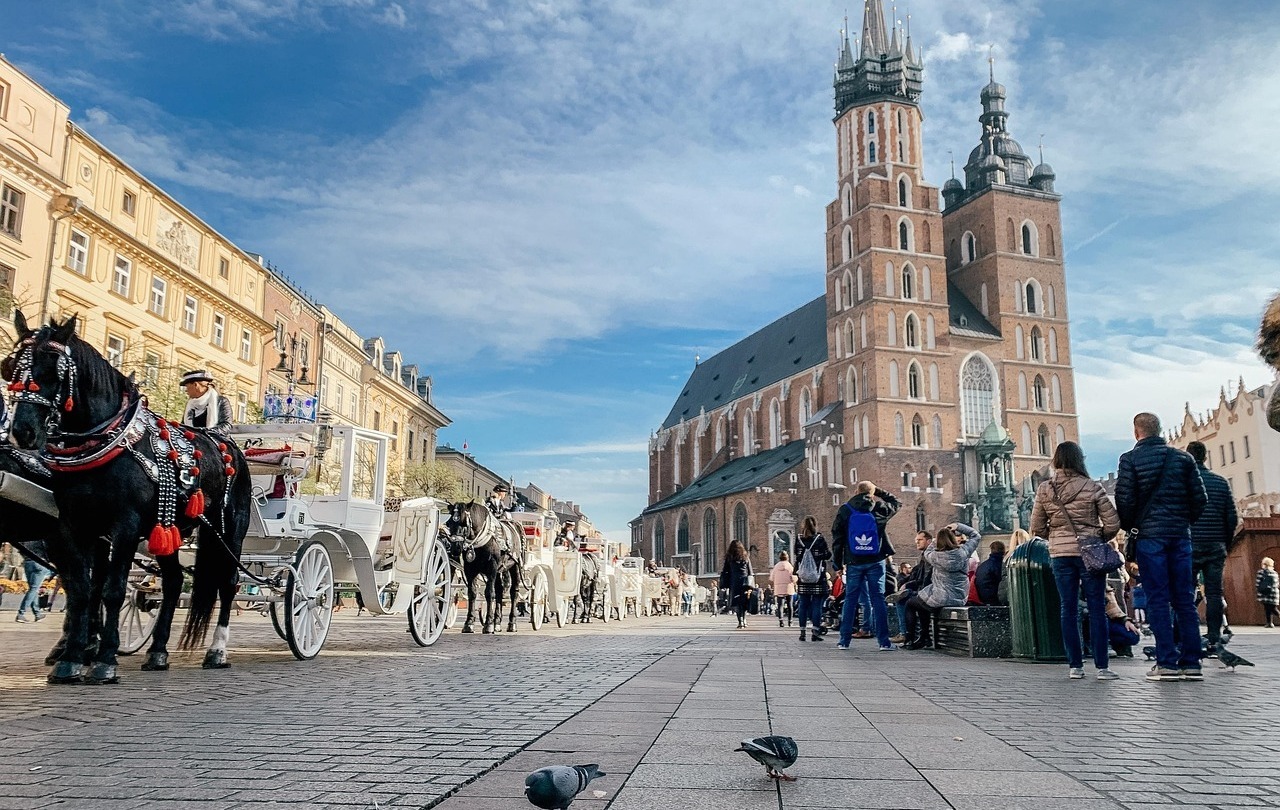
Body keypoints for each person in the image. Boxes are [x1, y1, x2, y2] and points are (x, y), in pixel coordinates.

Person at [1115, 412, 1207, 682]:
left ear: (1136, 432)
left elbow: (1124, 500)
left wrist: (1134, 526)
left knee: (1157, 599)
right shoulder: (1183, 458)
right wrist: (1183, 521)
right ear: (1160, 430)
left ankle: (1166, 662)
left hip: (1150, 538)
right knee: (1184, 599)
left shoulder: (1130, 459)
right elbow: (1200, 499)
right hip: (1179, 536)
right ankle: (1192, 662)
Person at [1031, 440, 1122, 680]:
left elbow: (1036, 527)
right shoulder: (1092, 487)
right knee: (1097, 608)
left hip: (1060, 555)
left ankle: (1075, 666)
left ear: (1056, 461)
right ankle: (1102, 667)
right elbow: (1113, 522)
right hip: (1089, 553)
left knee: (1068, 608)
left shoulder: (1045, 489)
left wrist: (1056, 538)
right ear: (1079, 460)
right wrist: (1097, 537)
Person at [1185, 441, 1239, 655]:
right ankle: (1214, 638)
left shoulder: (1183, 483)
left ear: (1188, 458)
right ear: (1205, 457)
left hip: (1189, 545)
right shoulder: (1220, 482)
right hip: (1216, 545)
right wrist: (1226, 542)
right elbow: (1232, 517)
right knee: (1215, 593)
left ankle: (1188, 637)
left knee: (1186, 592)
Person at [833, 481, 900, 651]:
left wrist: (837, 564)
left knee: (850, 599)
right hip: (876, 560)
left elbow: (837, 538)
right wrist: (878, 491)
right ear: (872, 492)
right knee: (878, 599)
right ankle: (884, 642)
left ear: (856, 491)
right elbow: (896, 502)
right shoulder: (879, 507)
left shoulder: (846, 509)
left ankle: (844, 641)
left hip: (854, 561)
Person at [904, 524, 980, 649]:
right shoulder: (964, 552)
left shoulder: (934, 556)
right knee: (921, 602)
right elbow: (976, 535)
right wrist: (958, 526)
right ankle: (924, 637)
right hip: (959, 597)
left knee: (911, 604)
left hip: (940, 598)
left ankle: (909, 639)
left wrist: (935, 540)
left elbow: (927, 551)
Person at [793, 516, 831, 641]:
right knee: (817, 605)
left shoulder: (799, 539)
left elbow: (797, 555)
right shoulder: (819, 539)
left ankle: (802, 633)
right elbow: (827, 554)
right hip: (817, 576)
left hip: (803, 577)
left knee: (803, 604)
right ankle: (815, 632)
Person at [889, 535, 932, 644]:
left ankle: (906, 635)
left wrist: (909, 585)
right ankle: (913, 635)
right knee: (904, 598)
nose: (917, 542)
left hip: (929, 591)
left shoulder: (929, 556)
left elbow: (925, 579)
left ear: (929, 541)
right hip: (926, 590)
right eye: (916, 540)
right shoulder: (924, 555)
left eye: (920, 540)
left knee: (906, 600)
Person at [720, 540, 753, 629]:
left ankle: (740, 621)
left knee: (737, 601)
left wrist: (724, 582)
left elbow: (725, 571)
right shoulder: (745, 556)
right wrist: (751, 583)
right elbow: (750, 571)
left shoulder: (729, 557)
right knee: (744, 601)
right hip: (745, 582)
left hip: (734, 582)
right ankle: (744, 619)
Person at [13, 545, 50, 623]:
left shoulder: (25, 541)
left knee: (33, 589)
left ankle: (37, 614)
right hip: (39, 562)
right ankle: (21, 613)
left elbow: (20, 550)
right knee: (34, 589)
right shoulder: (42, 540)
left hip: (28, 563)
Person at [974, 540, 1006, 606]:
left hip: (982, 597)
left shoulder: (983, 565)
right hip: (993, 598)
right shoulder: (999, 564)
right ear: (1003, 550)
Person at [770, 551, 796, 627]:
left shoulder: (776, 566)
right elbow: (793, 577)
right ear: (787, 557)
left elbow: (772, 578)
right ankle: (790, 621)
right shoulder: (789, 566)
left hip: (779, 588)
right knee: (790, 605)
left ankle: (781, 621)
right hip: (788, 587)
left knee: (780, 605)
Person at [1257, 557, 1280, 628]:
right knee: (1272, 608)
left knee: (1268, 608)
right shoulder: (1274, 573)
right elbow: (1277, 584)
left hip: (1265, 593)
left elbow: (1258, 583)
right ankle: (1269, 623)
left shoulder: (1261, 572)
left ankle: (1269, 623)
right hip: (1274, 593)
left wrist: (1260, 590)